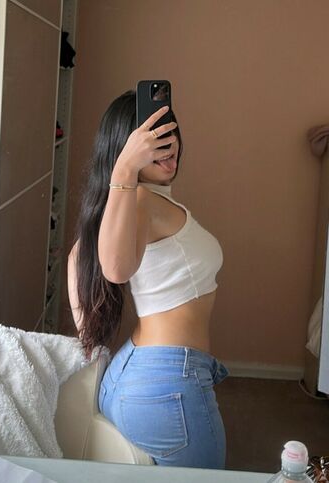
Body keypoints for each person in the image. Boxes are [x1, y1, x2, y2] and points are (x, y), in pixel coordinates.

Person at [67, 90, 228, 468]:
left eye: (170, 132)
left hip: (142, 372)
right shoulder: (140, 200)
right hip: (167, 385)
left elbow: (79, 253)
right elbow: (115, 269)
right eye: (153, 139)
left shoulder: (139, 203)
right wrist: (124, 169)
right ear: (127, 149)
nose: (169, 145)